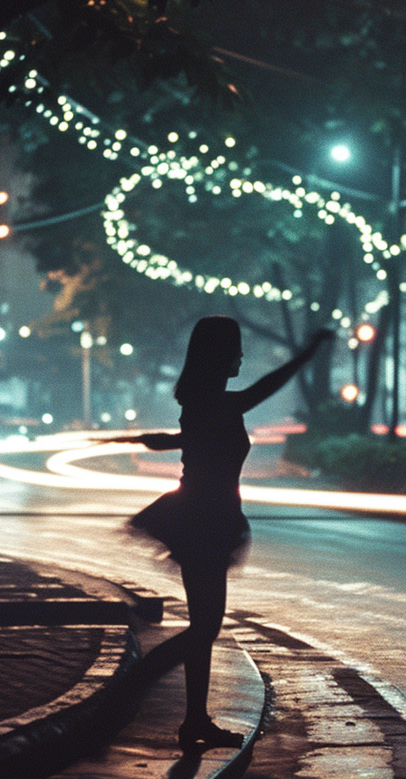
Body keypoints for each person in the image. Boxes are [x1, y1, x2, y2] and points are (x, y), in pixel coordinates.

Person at [132, 316, 334, 753]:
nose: (240, 357)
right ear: (217, 355)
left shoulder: (203, 401)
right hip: (204, 520)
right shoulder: (216, 402)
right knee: (205, 627)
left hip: (202, 517)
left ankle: (194, 720)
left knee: (203, 625)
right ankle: (142, 676)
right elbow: (264, 390)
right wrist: (307, 354)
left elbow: (197, 440)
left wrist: (163, 440)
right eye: (234, 349)